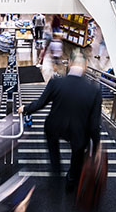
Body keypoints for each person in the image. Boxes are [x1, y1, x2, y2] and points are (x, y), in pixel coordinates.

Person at [18, 52, 102, 191]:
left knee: (53, 146)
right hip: (79, 131)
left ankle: (56, 171)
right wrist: (97, 146)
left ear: (69, 64)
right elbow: (94, 124)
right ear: (86, 66)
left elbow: (41, 103)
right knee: (78, 153)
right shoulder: (94, 90)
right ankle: (71, 179)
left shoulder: (56, 82)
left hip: (55, 126)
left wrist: (25, 109)